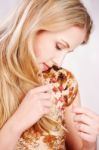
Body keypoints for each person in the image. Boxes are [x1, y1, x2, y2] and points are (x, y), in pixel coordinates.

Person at [0, 0, 99, 149]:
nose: (59, 63)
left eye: (67, 52)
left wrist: (90, 143)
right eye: (59, 46)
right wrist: (16, 125)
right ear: (33, 24)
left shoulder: (62, 82)